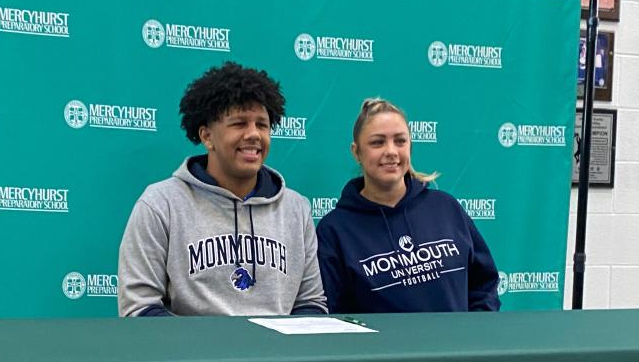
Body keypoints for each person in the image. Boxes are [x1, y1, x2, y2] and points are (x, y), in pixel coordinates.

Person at [118, 62, 327, 316]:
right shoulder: (161, 204)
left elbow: (311, 303)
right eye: (239, 123)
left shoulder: (296, 208)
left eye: (262, 125)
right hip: (196, 354)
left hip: (275, 354)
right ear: (207, 136)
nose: (254, 135)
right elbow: (139, 307)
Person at [316, 98, 500, 313]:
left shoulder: (446, 208)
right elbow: (336, 315)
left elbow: (484, 284)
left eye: (400, 141)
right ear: (356, 152)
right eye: (377, 142)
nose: (391, 151)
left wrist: (474, 337)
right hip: (382, 347)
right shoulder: (334, 230)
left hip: (458, 346)